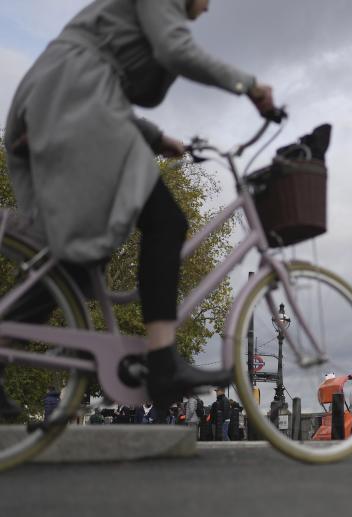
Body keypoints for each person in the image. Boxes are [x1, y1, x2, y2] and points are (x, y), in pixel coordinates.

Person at [0, 0, 277, 419]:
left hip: (57, 102)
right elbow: (174, 50)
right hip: (69, 97)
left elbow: (105, 91)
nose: (207, 8)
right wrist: (251, 85)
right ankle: (163, 360)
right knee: (165, 219)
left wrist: (153, 136)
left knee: (72, 264)